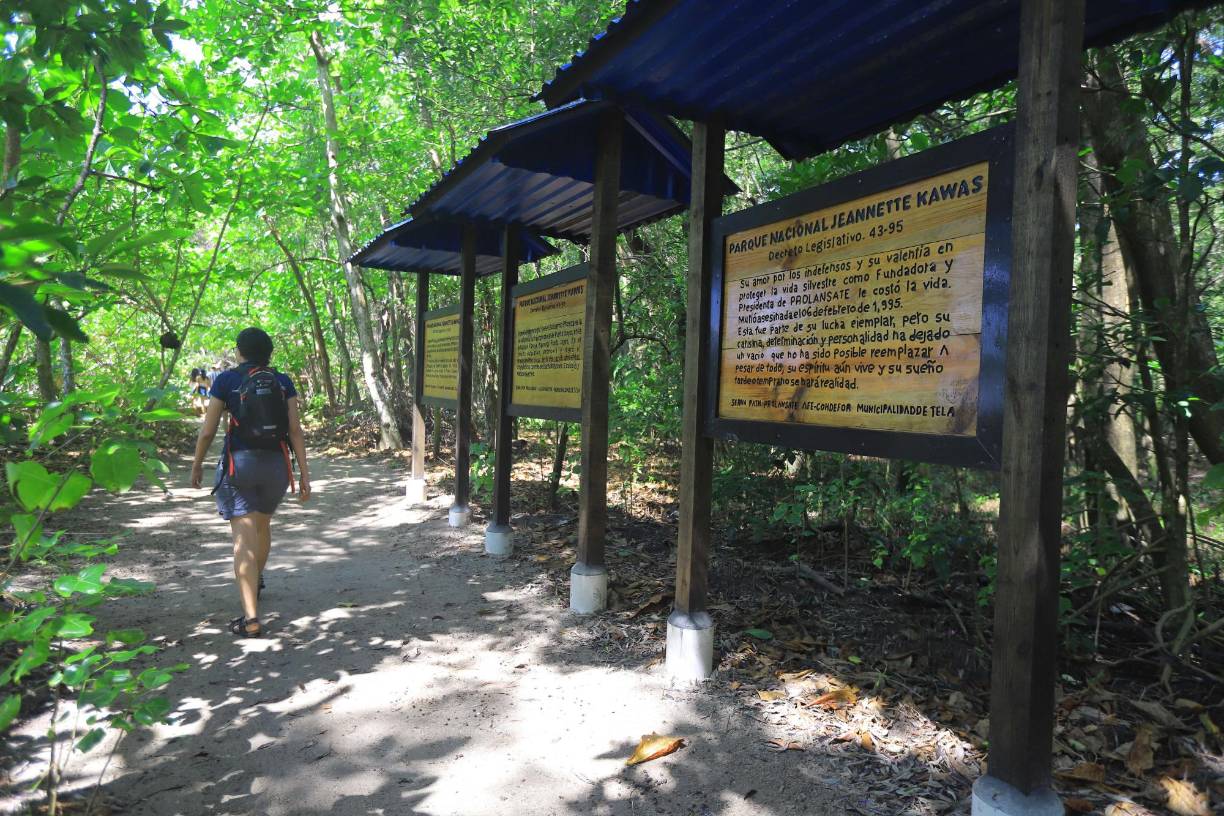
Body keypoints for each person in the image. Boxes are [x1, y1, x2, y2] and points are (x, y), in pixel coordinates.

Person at [190, 328, 312, 638]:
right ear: (270, 353)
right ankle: (255, 580)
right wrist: (304, 475)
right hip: (276, 467)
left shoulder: (227, 380)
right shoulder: (282, 381)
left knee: (243, 540)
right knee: (262, 527)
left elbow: (207, 431)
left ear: (239, 352)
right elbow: (295, 430)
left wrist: (196, 466)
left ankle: (252, 617)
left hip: (238, 466)